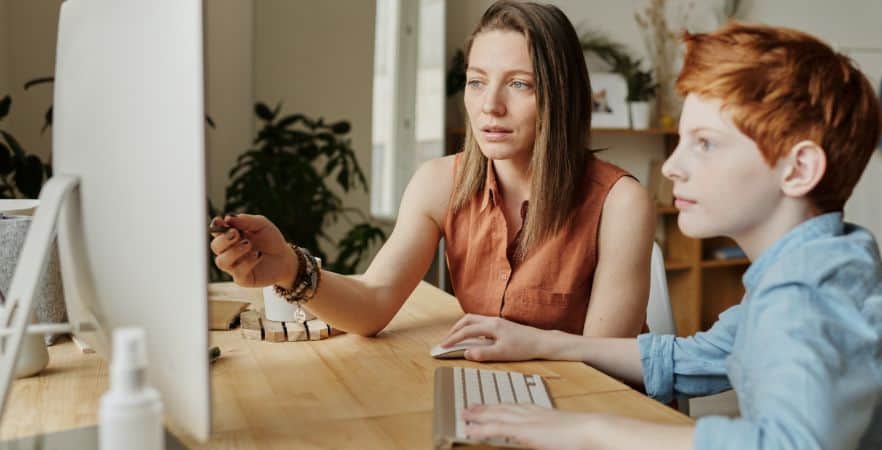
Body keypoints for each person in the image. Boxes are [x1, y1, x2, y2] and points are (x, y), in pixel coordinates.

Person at [438, 23, 882, 449]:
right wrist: (541, 342)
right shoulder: (816, 266)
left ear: (799, 169)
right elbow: (687, 358)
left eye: (704, 144)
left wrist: (592, 429)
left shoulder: (809, 295)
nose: (674, 168)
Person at [208, 0, 655, 338]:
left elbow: (604, 365)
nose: (490, 106)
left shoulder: (621, 203)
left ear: (562, 97)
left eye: (520, 84)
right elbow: (373, 303)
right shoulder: (439, 183)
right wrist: (288, 267)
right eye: (477, 81)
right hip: (498, 396)